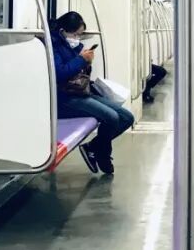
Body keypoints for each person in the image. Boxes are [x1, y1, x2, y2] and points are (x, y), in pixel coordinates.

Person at [50, 11, 134, 175]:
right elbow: (59, 74)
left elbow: (78, 72)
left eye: (79, 35)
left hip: (80, 92)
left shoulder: (74, 46)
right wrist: (81, 59)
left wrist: (86, 61)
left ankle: (93, 147)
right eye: (75, 34)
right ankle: (103, 155)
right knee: (112, 117)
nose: (77, 38)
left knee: (126, 117)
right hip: (64, 98)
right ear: (63, 30)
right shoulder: (53, 46)